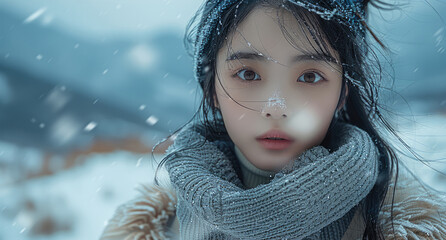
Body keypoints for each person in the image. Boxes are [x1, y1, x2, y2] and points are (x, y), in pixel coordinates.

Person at [101, 0, 446, 239]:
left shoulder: (409, 229)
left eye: (310, 76)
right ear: (211, 89)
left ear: (343, 91)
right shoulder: (147, 231)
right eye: (248, 73)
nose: (276, 107)